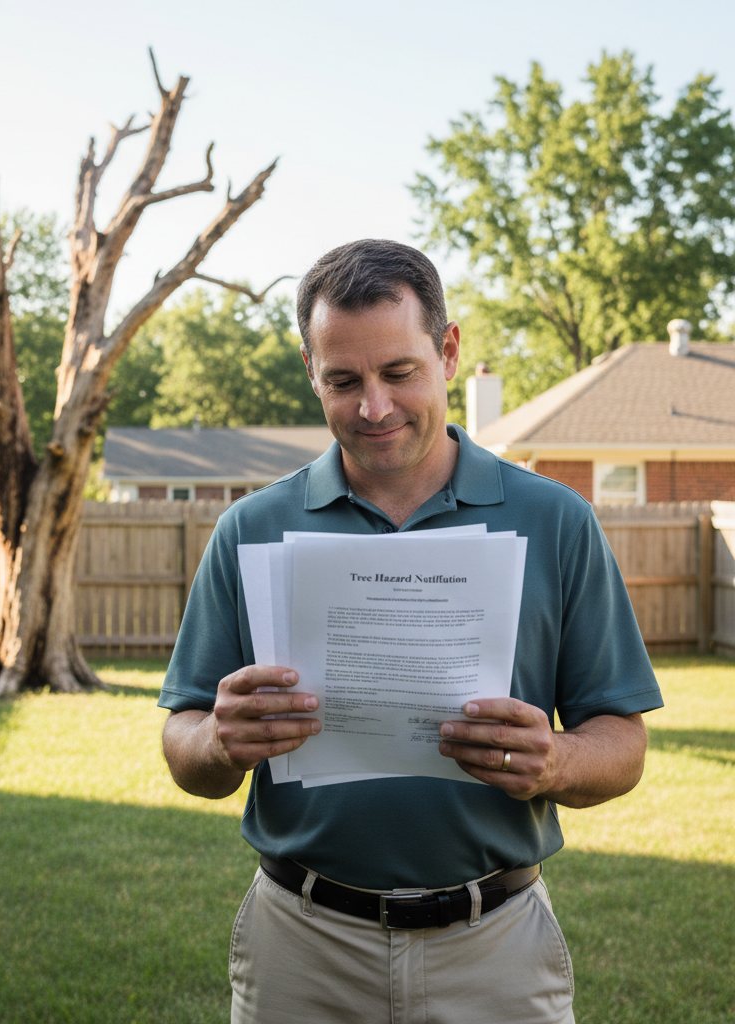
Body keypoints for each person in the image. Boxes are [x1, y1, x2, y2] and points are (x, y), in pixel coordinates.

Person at [158, 239, 662, 1024]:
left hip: (494, 945)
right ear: (310, 371)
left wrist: (558, 758)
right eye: (343, 381)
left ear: (449, 350)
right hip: (302, 943)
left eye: (399, 373)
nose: (374, 408)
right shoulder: (250, 529)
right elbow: (184, 740)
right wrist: (218, 743)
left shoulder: (555, 521)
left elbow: (622, 743)